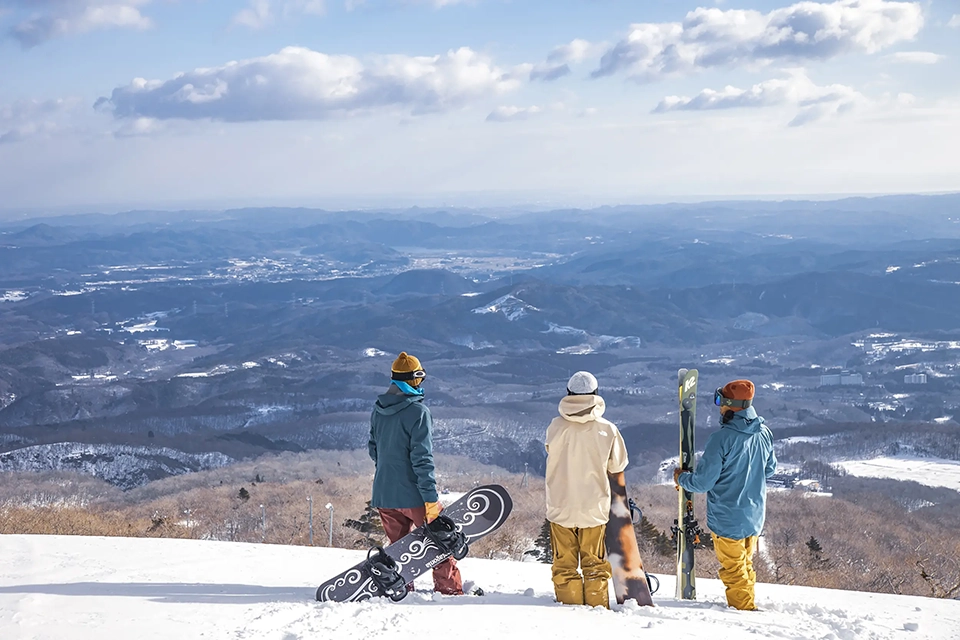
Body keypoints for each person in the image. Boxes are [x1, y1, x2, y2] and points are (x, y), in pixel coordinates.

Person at [673, 379, 777, 611]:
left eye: (720, 400)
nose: (719, 406)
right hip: (754, 517)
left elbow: (703, 482)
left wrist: (682, 479)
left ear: (731, 405)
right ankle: (747, 604)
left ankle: (744, 612)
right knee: (744, 565)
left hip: (728, 517)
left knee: (734, 570)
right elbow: (769, 469)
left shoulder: (721, 439)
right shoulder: (764, 432)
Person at [368, 351, 463, 596]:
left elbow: (374, 450)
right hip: (414, 495)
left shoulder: (378, 410)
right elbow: (422, 460)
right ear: (413, 379)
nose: (421, 383)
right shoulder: (418, 412)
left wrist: (391, 472)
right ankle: (449, 592)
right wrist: (430, 499)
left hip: (384, 493)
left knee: (399, 549)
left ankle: (403, 589)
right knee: (440, 545)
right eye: (420, 378)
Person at [544, 371, 629, 608]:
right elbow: (618, 465)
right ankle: (596, 609)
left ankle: (569, 609)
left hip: (560, 504)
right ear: (595, 393)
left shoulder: (555, 426)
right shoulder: (607, 429)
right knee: (595, 565)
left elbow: (550, 450)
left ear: (568, 393)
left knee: (564, 565)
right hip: (594, 507)